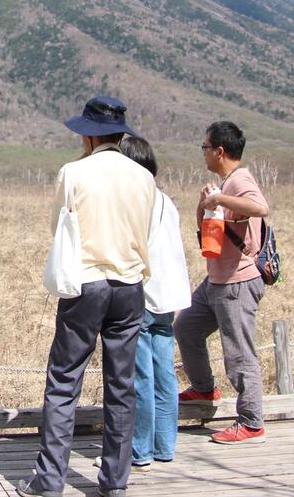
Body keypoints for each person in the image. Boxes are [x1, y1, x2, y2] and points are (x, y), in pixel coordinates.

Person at [18, 96, 156, 497]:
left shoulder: (73, 173)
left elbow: (57, 226)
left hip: (86, 284)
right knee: (122, 384)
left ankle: (49, 480)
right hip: (130, 286)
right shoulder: (143, 177)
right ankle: (115, 481)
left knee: (64, 381)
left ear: (88, 135)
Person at [173, 120, 270, 444]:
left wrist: (221, 201)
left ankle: (251, 422)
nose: (202, 153)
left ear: (219, 150)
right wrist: (205, 204)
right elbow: (205, 231)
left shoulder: (240, 180)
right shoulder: (225, 183)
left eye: (204, 147)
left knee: (239, 353)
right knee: (186, 327)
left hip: (237, 282)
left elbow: (260, 207)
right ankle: (203, 388)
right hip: (216, 279)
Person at [118, 136, 189, 469]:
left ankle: (140, 449)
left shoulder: (134, 201)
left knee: (140, 376)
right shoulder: (165, 201)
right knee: (165, 374)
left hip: (143, 296)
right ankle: (165, 445)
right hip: (169, 297)